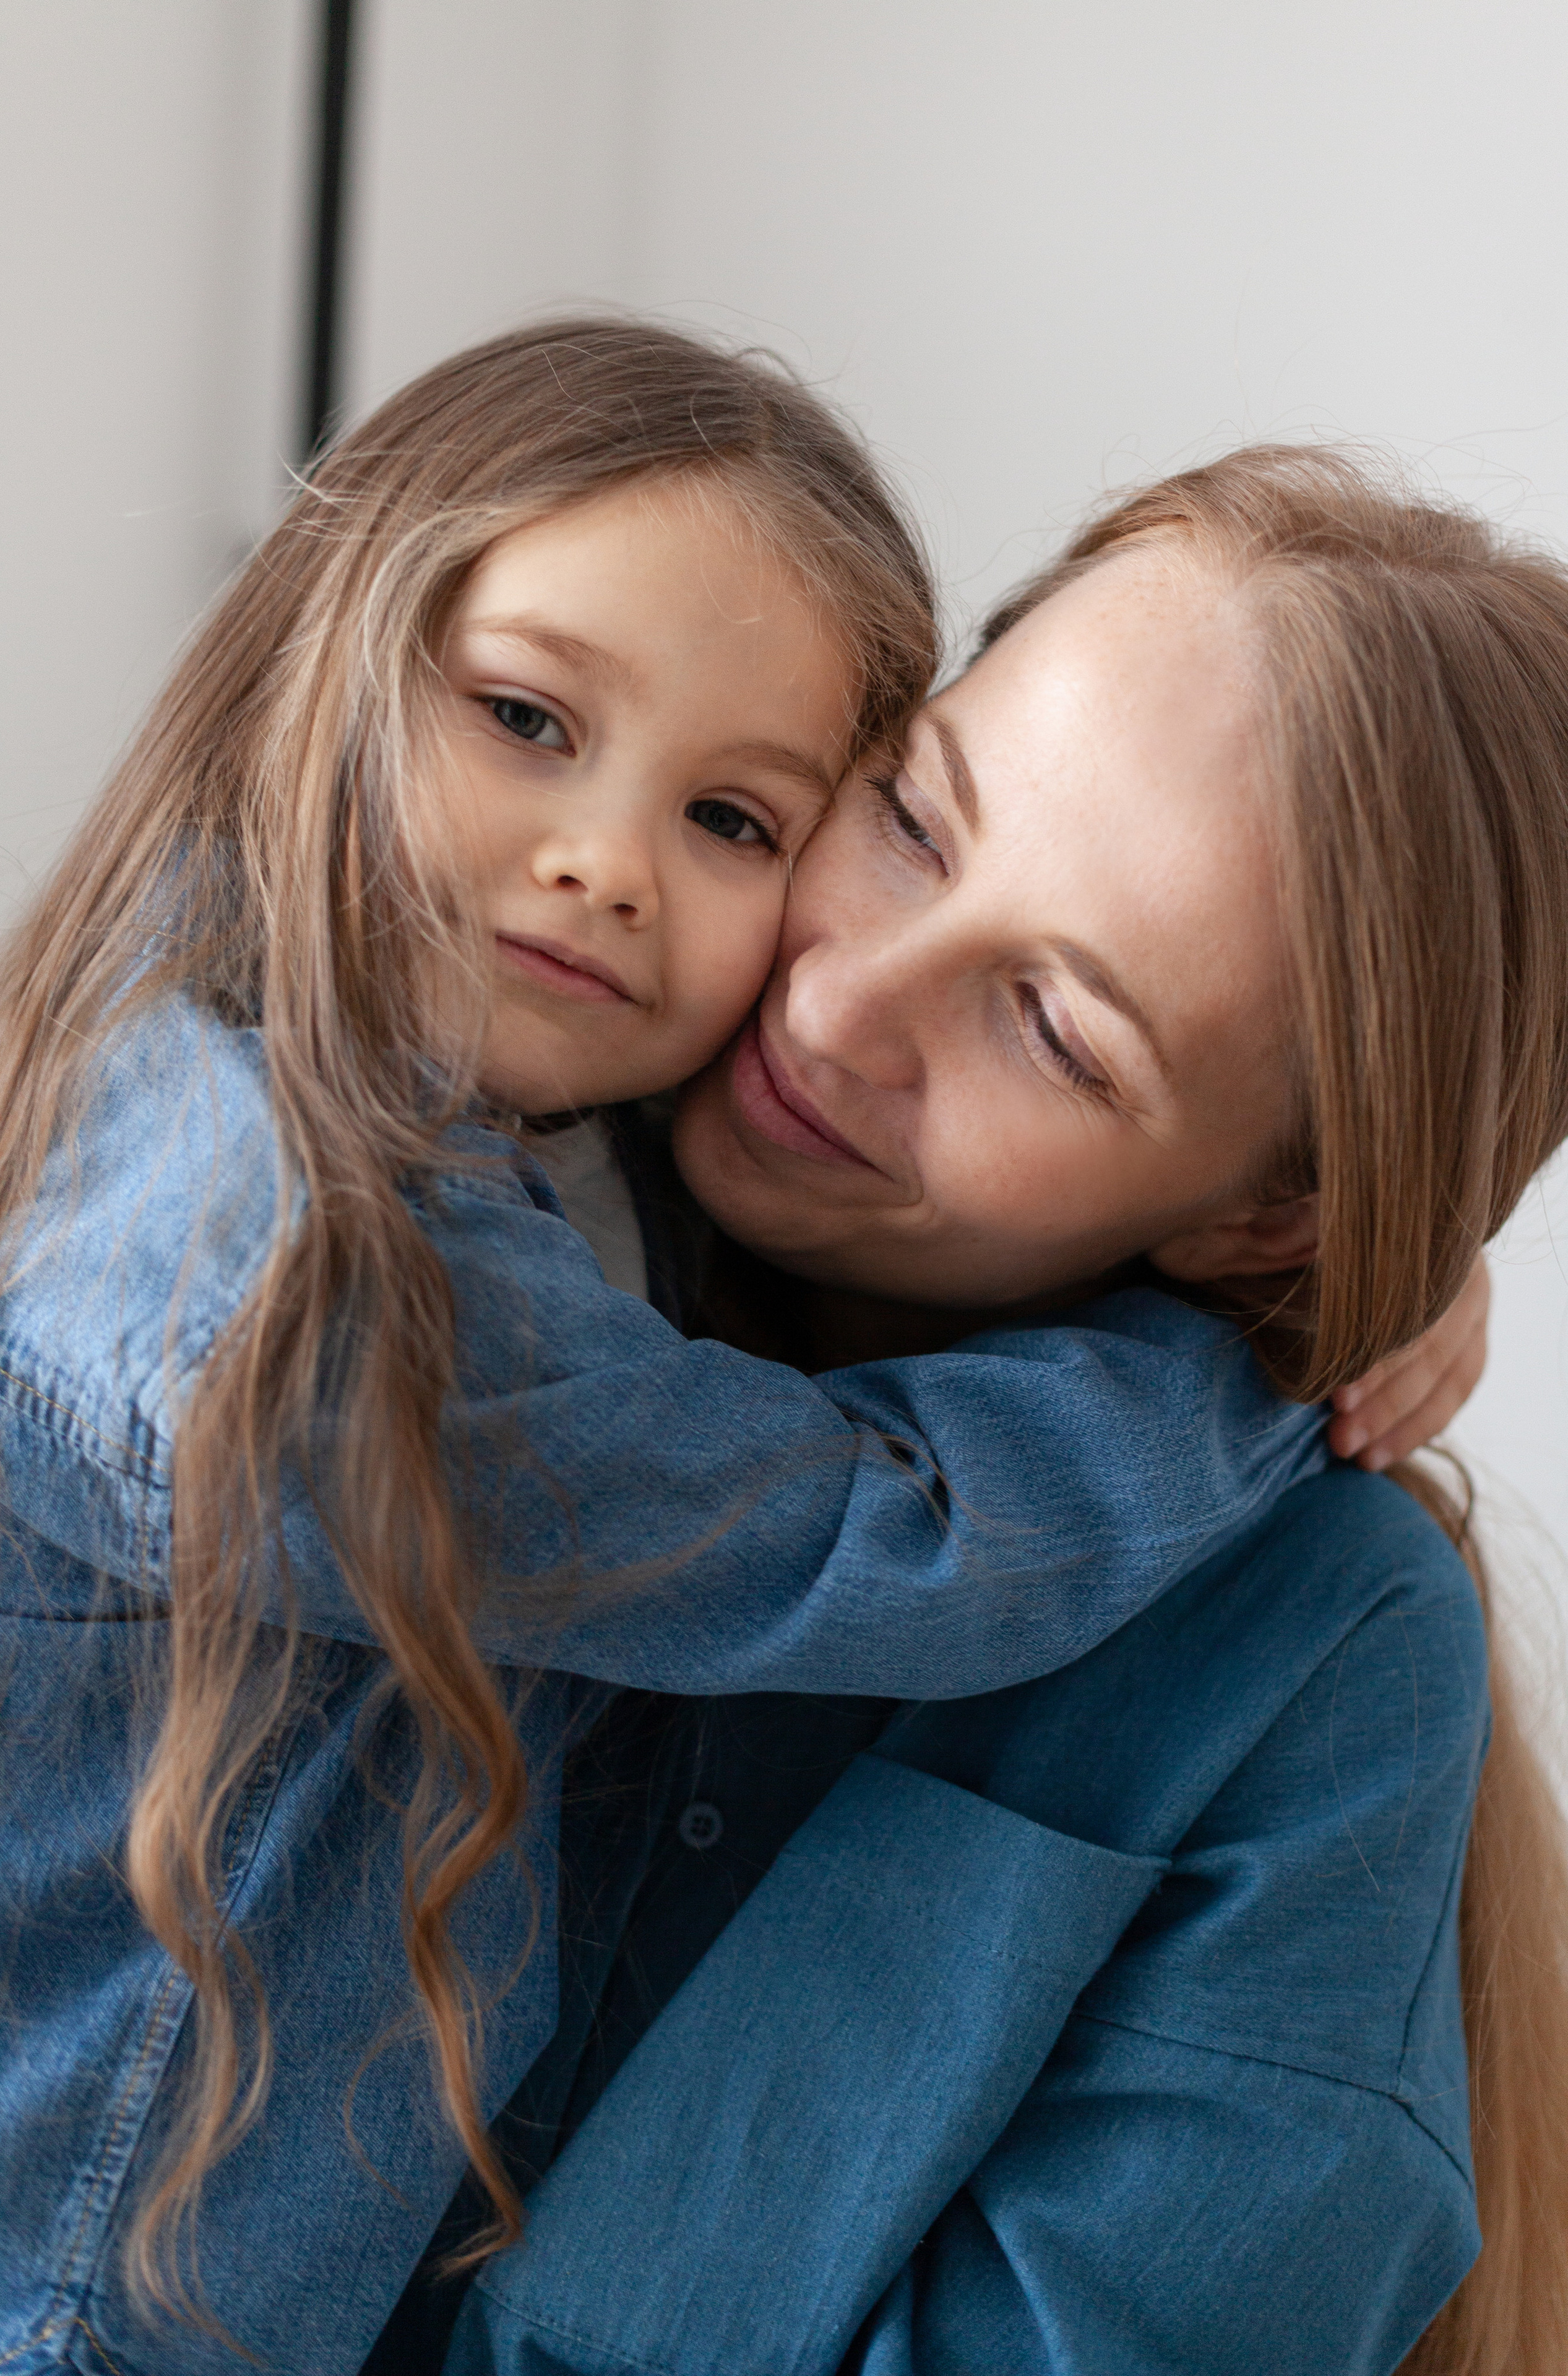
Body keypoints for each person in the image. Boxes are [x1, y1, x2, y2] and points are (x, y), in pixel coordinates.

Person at [0, 327, 1413, 2376]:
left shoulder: (550, 1155)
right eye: (521, 716)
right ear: (320, 653)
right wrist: (1253, 1357)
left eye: (739, 820)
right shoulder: (250, 1242)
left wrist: (1343, 1245)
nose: (606, 865)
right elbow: (861, 1540)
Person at [423, 450, 1568, 2375]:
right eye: (912, 821)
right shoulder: (450, 1154)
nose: (842, 1008)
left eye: (1053, 1027)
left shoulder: (1318, 1657)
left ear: (1265, 1210)